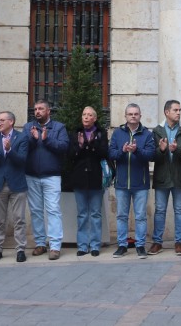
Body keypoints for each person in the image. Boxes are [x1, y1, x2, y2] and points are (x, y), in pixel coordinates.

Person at [108, 103, 156, 259]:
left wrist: (137, 151)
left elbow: (151, 155)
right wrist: (122, 151)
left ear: (140, 116)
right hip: (122, 183)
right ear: (125, 116)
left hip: (140, 184)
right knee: (121, 215)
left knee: (140, 216)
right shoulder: (117, 133)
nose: (133, 116)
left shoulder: (147, 134)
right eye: (130, 114)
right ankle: (122, 245)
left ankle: (140, 245)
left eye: (136, 114)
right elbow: (111, 154)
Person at [22, 99, 68, 260]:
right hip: (32, 175)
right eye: (35, 109)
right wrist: (34, 139)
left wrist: (46, 139)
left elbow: (64, 147)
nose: (37, 112)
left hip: (52, 176)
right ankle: (40, 243)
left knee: (53, 210)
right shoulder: (28, 127)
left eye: (41, 109)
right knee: (35, 211)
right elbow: (22, 148)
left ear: (48, 111)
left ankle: (55, 246)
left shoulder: (58, 127)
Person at [0, 110, 29, 262]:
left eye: (2, 120)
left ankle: (20, 249)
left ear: (11, 121)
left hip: (17, 184)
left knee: (19, 219)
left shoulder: (22, 137)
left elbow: (22, 161)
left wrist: (9, 150)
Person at [68, 105, 108, 257]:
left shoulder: (101, 133)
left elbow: (104, 153)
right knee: (82, 214)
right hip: (79, 179)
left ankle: (95, 245)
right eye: (84, 114)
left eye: (89, 114)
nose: (86, 117)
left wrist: (92, 144)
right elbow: (70, 155)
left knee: (96, 214)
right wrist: (79, 145)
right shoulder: (75, 133)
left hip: (96, 178)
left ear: (95, 118)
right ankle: (83, 246)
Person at [150, 99, 181, 255]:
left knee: (179, 210)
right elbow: (152, 156)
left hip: (179, 176)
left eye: (180, 110)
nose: (179, 113)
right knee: (160, 210)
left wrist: (176, 149)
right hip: (162, 177)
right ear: (167, 112)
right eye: (176, 110)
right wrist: (162, 150)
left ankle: (179, 242)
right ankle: (157, 242)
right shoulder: (157, 131)